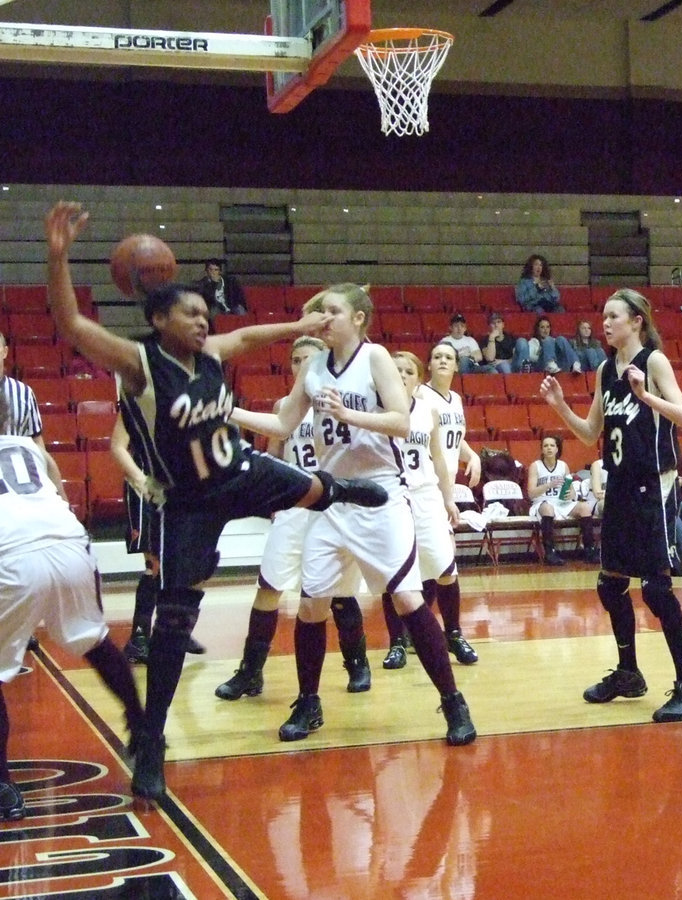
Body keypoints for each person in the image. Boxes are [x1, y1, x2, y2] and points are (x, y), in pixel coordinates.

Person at [45, 201, 390, 803]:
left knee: (306, 487)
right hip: (189, 505)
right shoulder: (139, 364)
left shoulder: (208, 355)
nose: (204, 322)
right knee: (175, 625)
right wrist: (57, 257)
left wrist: (295, 329)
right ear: (159, 319)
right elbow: (73, 327)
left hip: (241, 472)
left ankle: (340, 490)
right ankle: (150, 741)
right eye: (191, 314)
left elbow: (249, 335)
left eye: (207, 313)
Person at [229, 285, 476, 749]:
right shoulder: (315, 367)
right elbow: (283, 425)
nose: (325, 318)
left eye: (334, 311)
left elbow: (402, 421)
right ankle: (308, 701)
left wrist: (349, 415)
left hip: (380, 494)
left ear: (358, 319)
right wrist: (229, 411)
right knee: (310, 605)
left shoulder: (376, 358)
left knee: (406, 597)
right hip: (332, 494)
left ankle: (453, 701)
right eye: (321, 312)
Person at [539, 288, 682, 724]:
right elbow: (591, 434)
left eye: (614, 316)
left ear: (637, 321)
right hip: (620, 485)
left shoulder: (652, 362)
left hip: (655, 483)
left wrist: (646, 396)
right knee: (610, 584)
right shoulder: (602, 370)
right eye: (603, 315)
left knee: (655, 588)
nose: (605, 322)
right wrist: (559, 407)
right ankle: (629, 672)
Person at [0, 391, 146, 821]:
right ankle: (142, 726)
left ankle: (4, 786)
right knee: (94, 639)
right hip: (68, 540)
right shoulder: (26, 446)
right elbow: (60, 492)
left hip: (12, 552)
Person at [215, 337, 371, 701]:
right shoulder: (284, 405)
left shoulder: (341, 401)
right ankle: (250, 672)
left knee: (339, 593)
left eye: (308, 358)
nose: (301, 364)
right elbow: (274, 451)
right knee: (268, 585)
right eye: (295, 359)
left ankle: (357, 662)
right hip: (292, 505)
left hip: (332, 504)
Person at [382, 341, 482, 668]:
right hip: (392, 496)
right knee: (395, 572)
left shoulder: (429, 410)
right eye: (396, 371)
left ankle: (453, 633)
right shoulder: (376, 411)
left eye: (409, 371)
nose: (403, 376)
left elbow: (438, 457)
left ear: (416, 376)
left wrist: (448, 497)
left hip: (426, 494)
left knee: (444, 566)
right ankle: (397, 641)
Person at [111, 417, 206, 664]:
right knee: (154, 563)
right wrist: (141, 482)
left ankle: (177, 631)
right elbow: (118, 446)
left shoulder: (185, 397)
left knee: (181, 563)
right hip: (144, 483)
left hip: (179, 485)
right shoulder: (134, 399)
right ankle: (139, 637)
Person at [0, 332, 66, 496]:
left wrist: (59, 495)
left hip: (19, 481)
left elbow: (36, 441)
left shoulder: (24, 393)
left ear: (4, 351)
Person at [527, 435, 597, 566]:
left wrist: (570, 494)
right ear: (541, 449)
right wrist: (549, 485)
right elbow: (531, 493)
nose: (549, 448)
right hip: (542, 502)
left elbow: (570, 490)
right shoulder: (535, 466)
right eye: (545, 446)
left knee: (585, 508)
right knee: (548, 508)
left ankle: (589, 550)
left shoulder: (563, 466)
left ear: (557, 449)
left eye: (552, 445)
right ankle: (550, 552)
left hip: (560, 502)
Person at [513, 315, 580, 375]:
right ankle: (550, 363)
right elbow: (530, 359)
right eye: (542, 327)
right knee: (547, 340)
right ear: (537, 329)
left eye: (547, 327)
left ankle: (575, 363)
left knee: (561, 338)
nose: (545, 330)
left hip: (558, 366)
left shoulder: (554, 340)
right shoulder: (533, 342)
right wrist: (542, 351)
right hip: (541, 366)